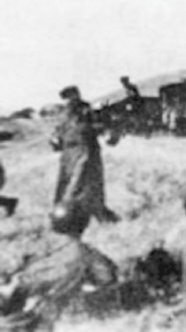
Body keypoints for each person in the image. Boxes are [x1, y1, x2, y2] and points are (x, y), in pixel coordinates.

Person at [0, 201, 119, 328]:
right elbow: (108, 278)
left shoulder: (44, 241)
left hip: (23, 287)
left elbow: (18, 262)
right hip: (49, 301)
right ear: (82, 225)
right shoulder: (88, 254)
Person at [50, 87, 118, 224]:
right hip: (68, 153)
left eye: (71, 96)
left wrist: (108, 132)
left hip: (87, 150)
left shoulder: (87, 110)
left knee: (87, 183)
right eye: (66, 98)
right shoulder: (64, 113)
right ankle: (61, 216)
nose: (69, 100)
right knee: (66, 183)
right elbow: (58, 131)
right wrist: (54, 139)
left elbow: (101, 124)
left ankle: (98, 214)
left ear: (77, 95)